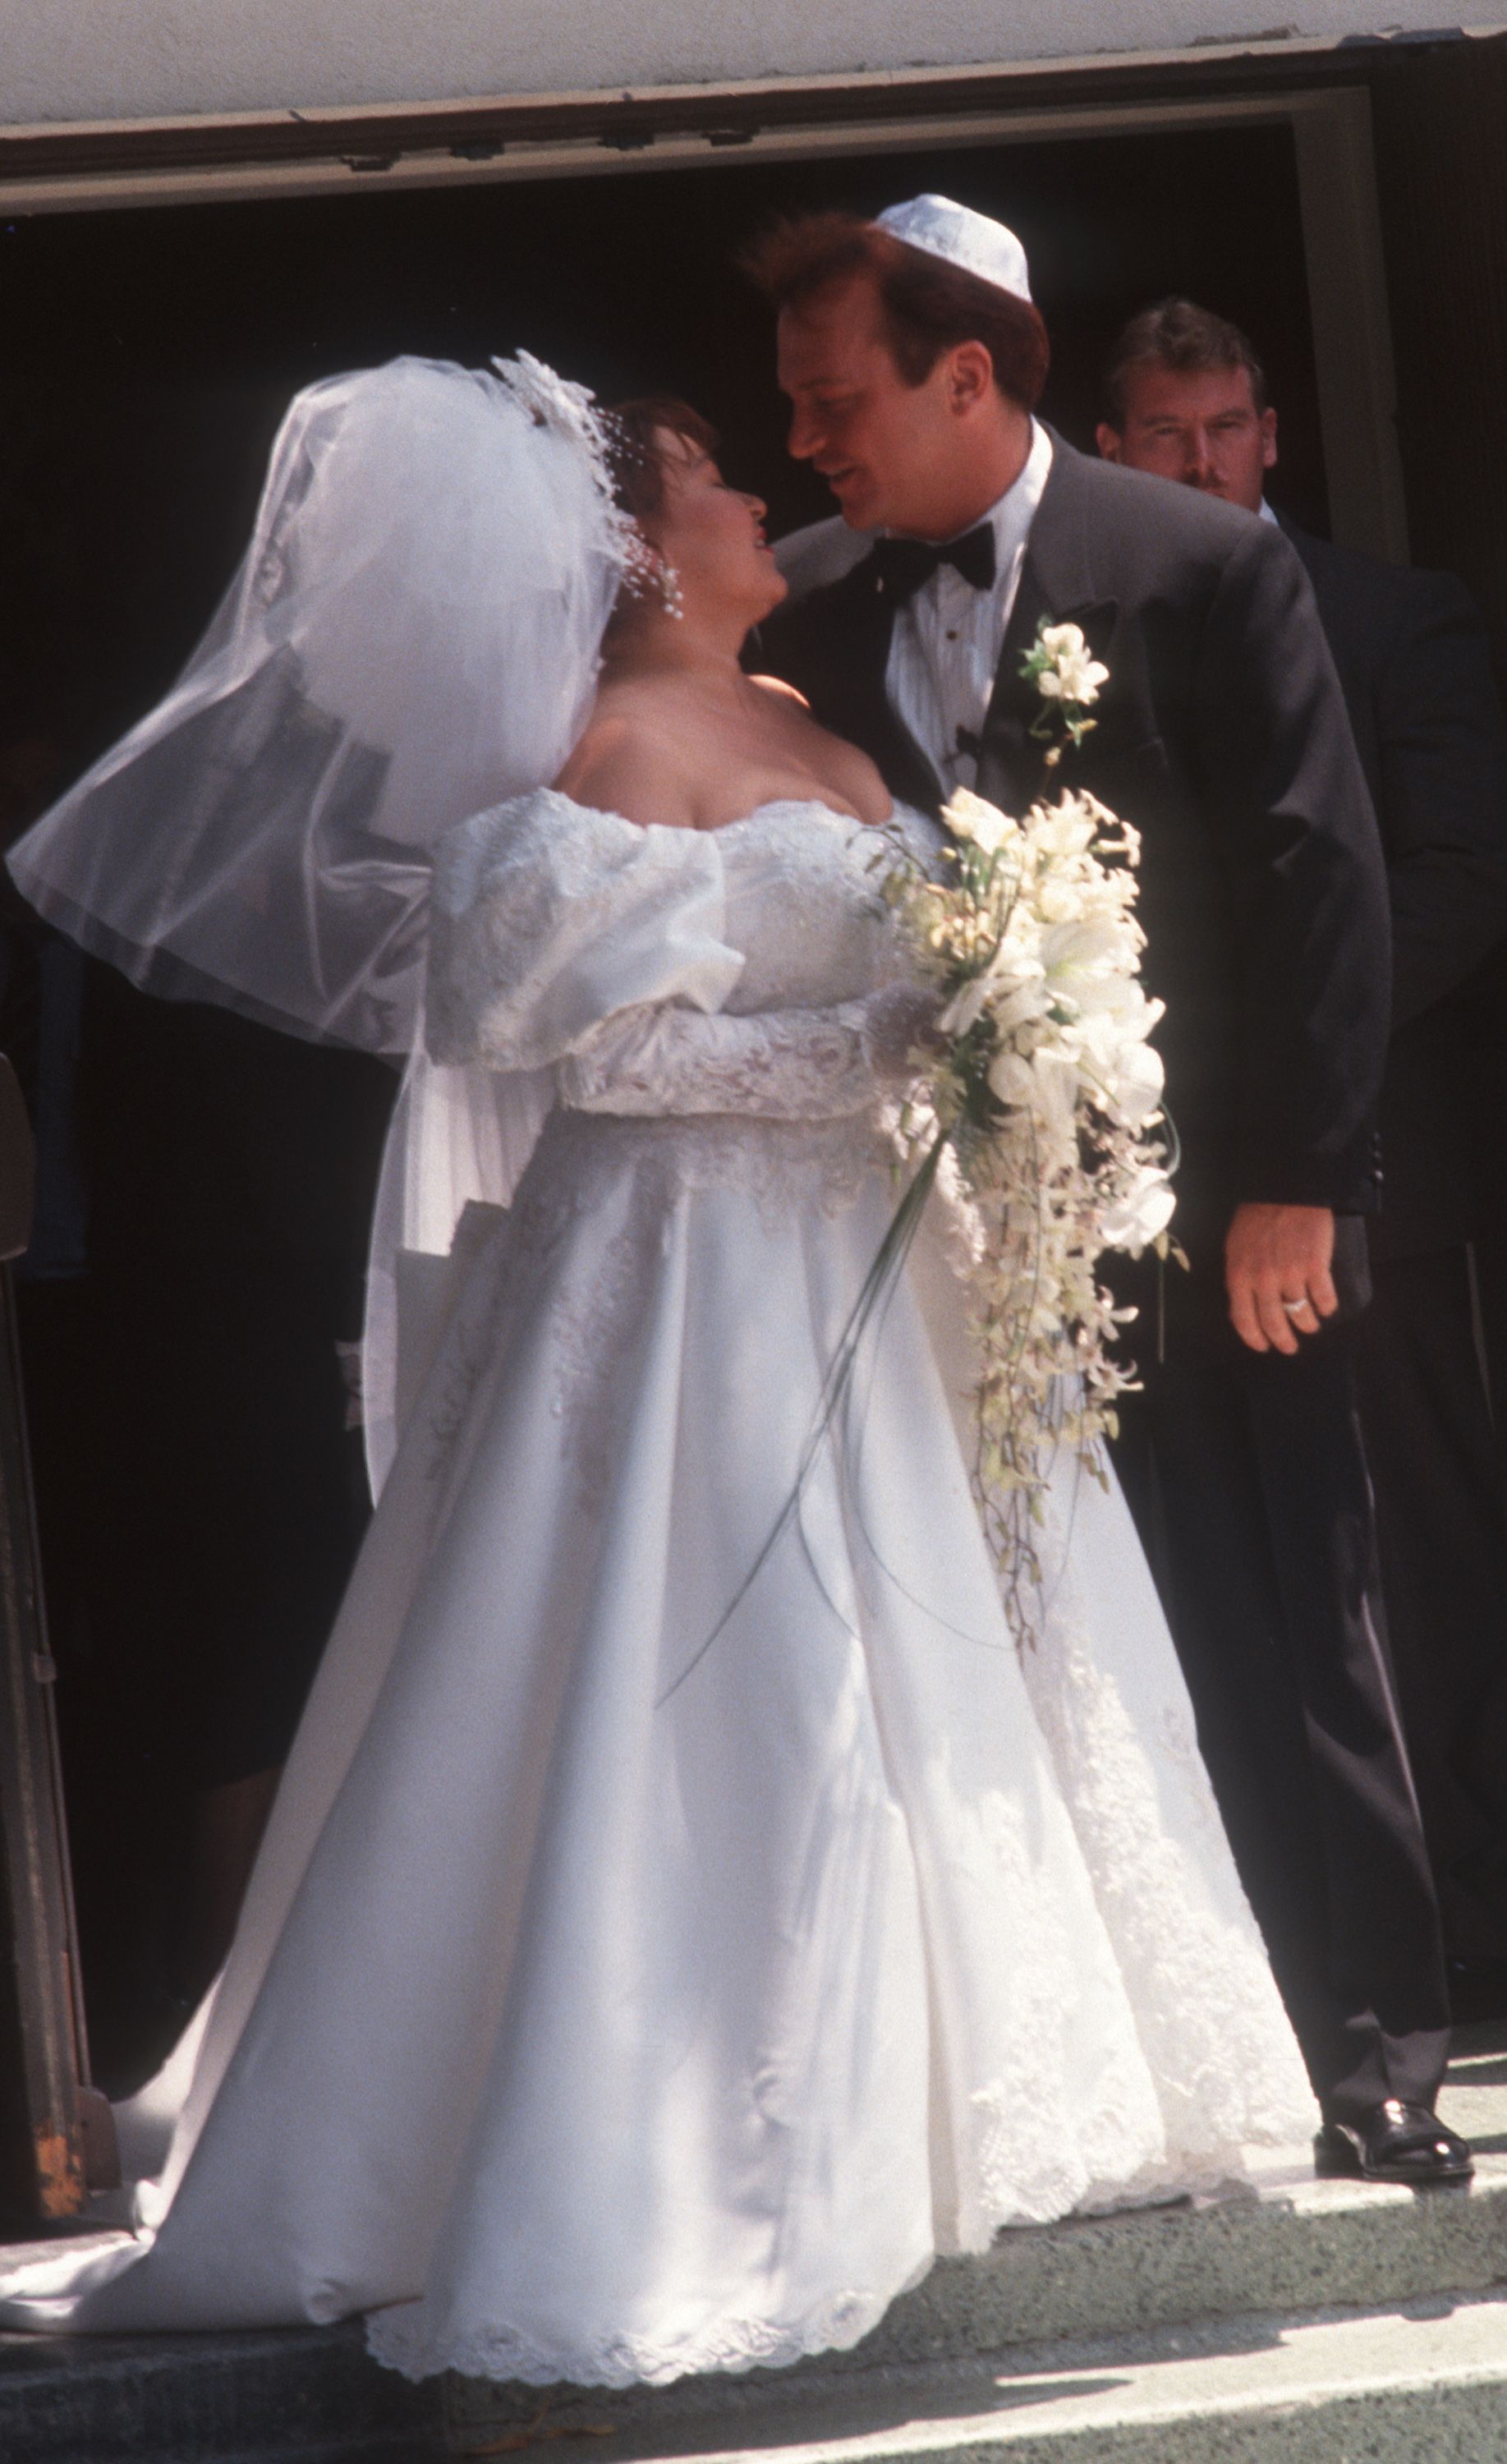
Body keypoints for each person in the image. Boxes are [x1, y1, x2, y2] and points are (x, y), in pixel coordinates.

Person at [0, 354, 1314, 2376]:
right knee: (731, 1674)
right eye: (712, 480)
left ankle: (1002, 2081)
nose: (758, 497)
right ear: (636, 548)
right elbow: (599, 1060)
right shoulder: (598, 758)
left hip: (887, 1285)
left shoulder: (803, 719)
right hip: (699, 1288)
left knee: (953, 1670)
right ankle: (712, 2131)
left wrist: (1011, 1041)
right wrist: (907, 1053)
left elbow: (903, 955)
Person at [750, 195, 1468, 2182]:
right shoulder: (801, 610)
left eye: (833, 401)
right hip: (942, 1239)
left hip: (1216, 1206)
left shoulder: (1203, 562)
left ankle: (1370, 2049)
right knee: (1029, 1638)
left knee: (1289, 1607)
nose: (805, 439)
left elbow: (1327, 878)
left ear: (964, 376)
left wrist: (1304, 1179)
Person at [1097, 297, 1507, 2011]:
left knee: (1410, 1557)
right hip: (1133, 1195)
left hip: (1373, 1191)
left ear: (1272, 431)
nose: (1205, 463)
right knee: (1205, 1573)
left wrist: (1282, 1086)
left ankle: (1473, 1934)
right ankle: (1291, 1945)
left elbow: (1459, 883)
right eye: (1169, 436)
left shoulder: (1399, 619)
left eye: (1231, 428)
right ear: (1112, 447)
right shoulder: (1083, 622)